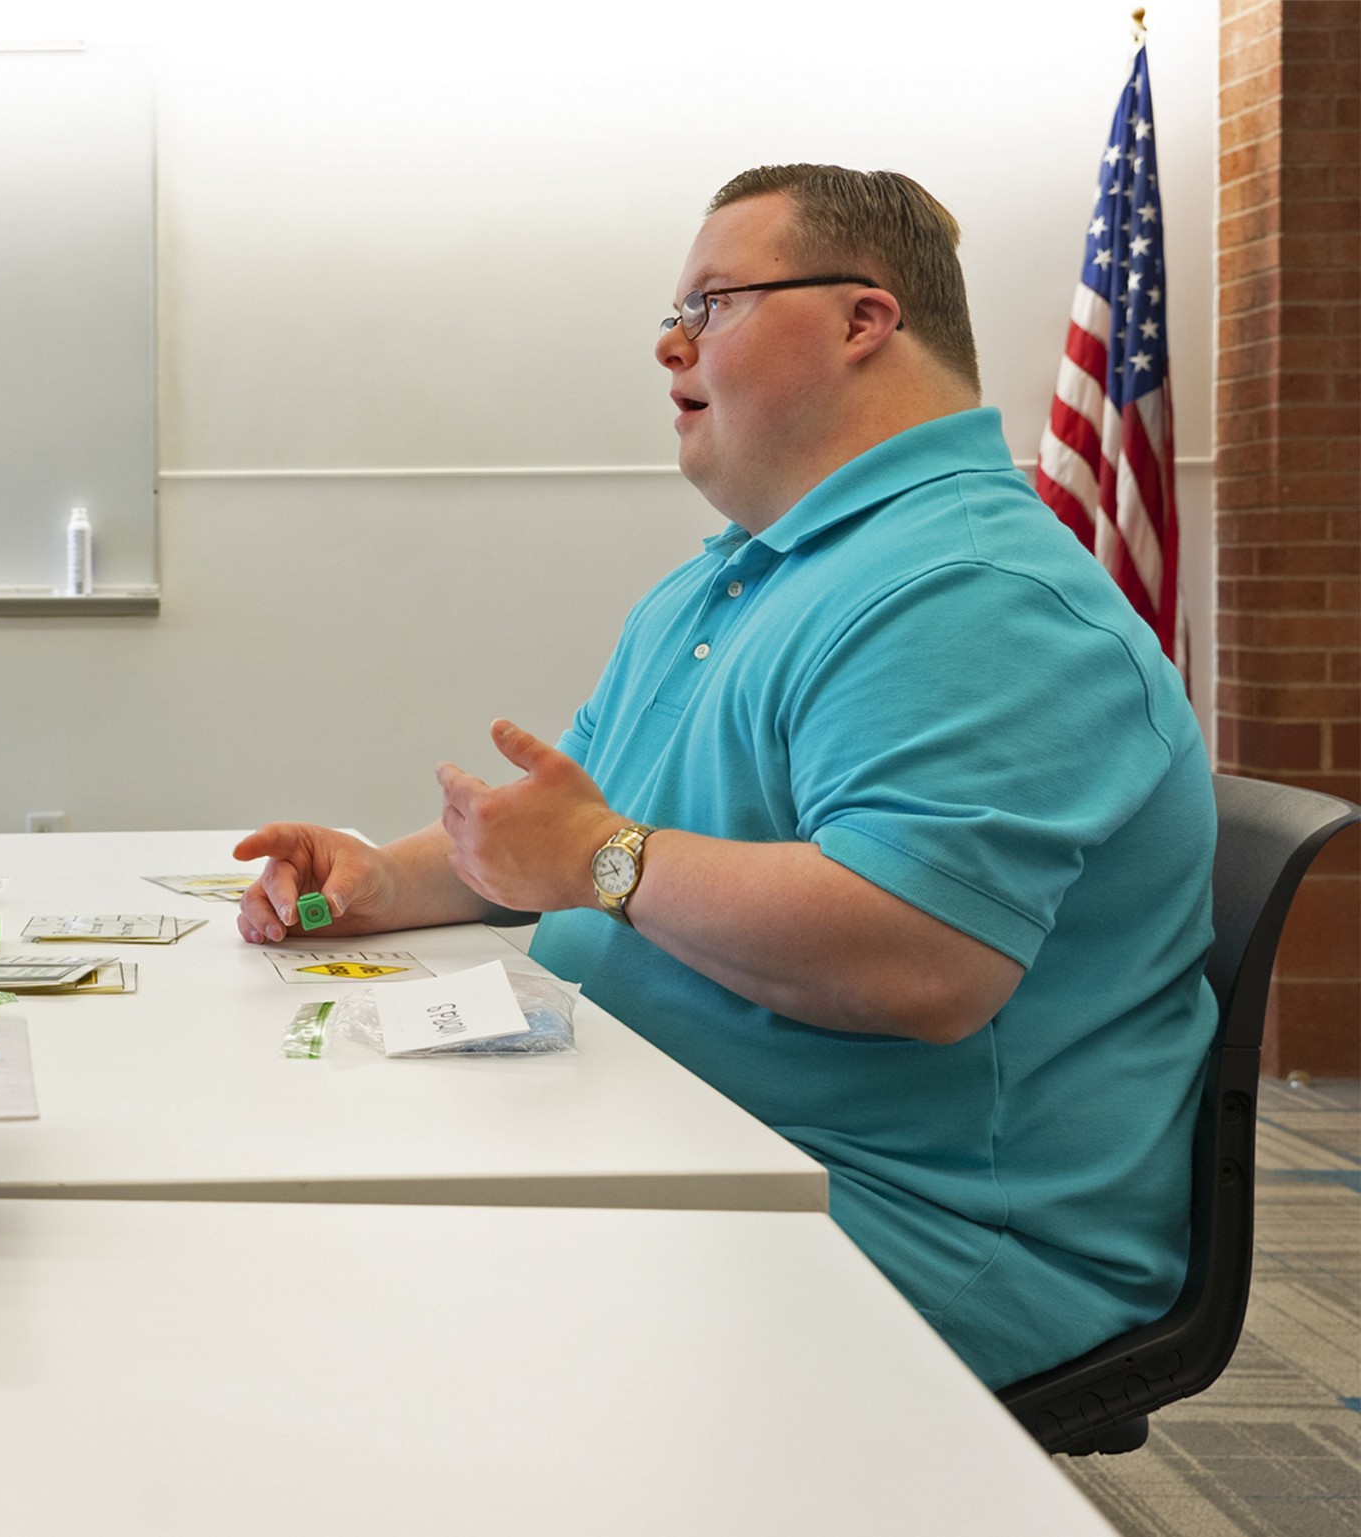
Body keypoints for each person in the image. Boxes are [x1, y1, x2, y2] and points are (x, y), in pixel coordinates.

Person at [235, 165, 1214, 1389]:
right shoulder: (742, 575)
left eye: (711, 305)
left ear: (864, 320)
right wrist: (380, 877)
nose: (666, 344)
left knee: (339, 1317)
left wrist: (599, 860)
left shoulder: (971, 594)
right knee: (308, 1224)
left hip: (913, 1220)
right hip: (679, 1119)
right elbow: (569, 828)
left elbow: (919, 955)